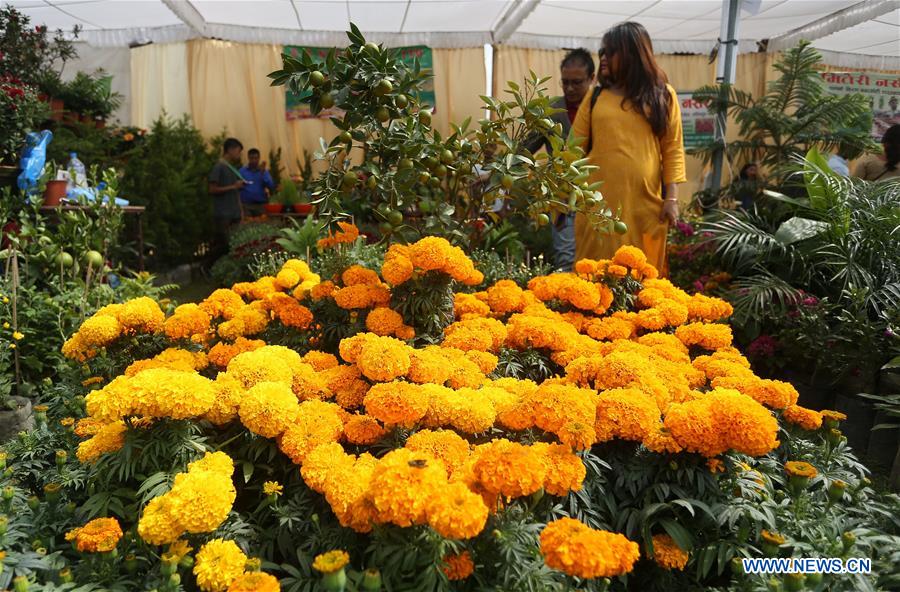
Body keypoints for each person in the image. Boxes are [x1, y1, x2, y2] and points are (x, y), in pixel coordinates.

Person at [571, 22, 685, 274]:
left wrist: (672, 198)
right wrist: (559, 197)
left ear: (632, 54)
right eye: (601, 51)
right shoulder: (596, 96)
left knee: (641, 280)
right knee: (594, 277)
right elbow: (572, 150)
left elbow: (673, 149)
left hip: (644, 206)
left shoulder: (663, 96)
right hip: (597, 206)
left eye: (610, 52)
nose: (602, 58)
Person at [524, 48, 596, 271]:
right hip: (562, 199)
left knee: (596, 260)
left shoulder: (601, 109)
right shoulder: (552, 110)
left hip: (596, 197)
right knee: (566, 260)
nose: (570, 88)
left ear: (592, 79)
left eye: (577, 82)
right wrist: (496, 172)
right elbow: (524, 149)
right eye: (565, 82)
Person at [208, 138, 245, 258]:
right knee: (223, 244)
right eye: (238, 151)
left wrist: (241, 211)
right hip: (223, 213)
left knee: (234, 244)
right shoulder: (219, 167)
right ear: (230, 150)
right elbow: (212, 189)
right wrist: (233, 186)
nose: (239, 155)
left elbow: (236, 191)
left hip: (234, 213)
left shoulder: (231, 168)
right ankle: (206, 266)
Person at [239, 148, 275, 217]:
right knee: (247, 226)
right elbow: (237, 187)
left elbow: (271, 186)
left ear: (259, 158)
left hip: (261, 205)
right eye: (251, 158)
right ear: (248, 158)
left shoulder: (264, 171)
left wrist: (263, 173)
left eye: (256, 158)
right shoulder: (242, 171)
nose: (254, 160)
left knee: (263, 225)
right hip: (246, 206)